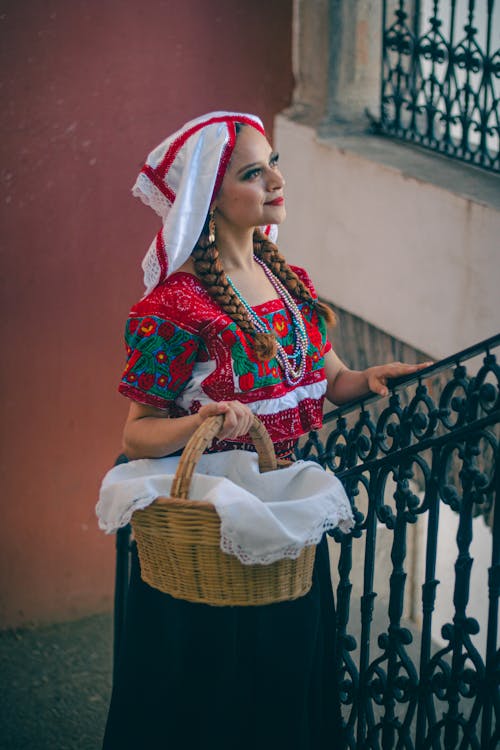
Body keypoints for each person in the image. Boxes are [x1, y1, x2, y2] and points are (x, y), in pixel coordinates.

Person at [102, 111, 430, 749]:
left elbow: (330, 382)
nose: (277, 180)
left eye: (274, 162)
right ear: (210, 198)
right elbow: (138, 435)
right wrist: (199, 419)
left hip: (284, 523)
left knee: (284, 691)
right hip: (205, 541)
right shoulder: (176, 306)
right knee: (213, 705)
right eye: (255, 172)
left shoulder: (288, 282)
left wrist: (367, 378)